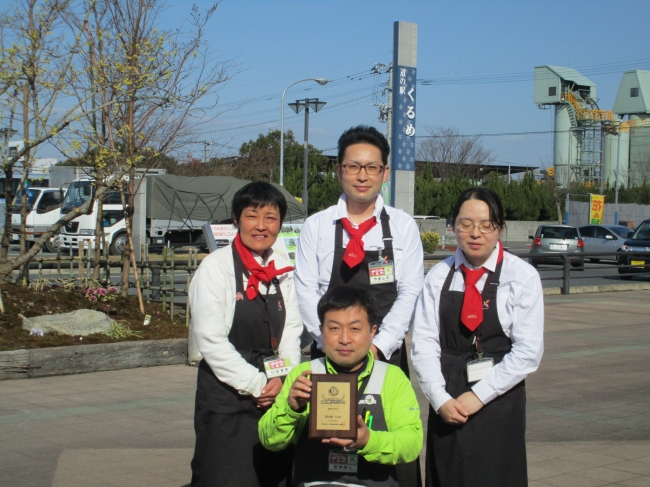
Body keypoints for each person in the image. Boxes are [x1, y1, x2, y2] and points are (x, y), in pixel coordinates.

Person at [411, 188, 544, 487]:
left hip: (499, 396)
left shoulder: (520, 277)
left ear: (500, 227)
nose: (475, 233)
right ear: (453, 225)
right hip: (448, 396)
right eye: (465, 223)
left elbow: (528, 352)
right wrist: (439, 398)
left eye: (486, 225)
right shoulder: (438, 275)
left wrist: (480, 395)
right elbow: (424, 344)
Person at [188, 181, 303, 487]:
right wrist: (256, 384)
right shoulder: (216, 268)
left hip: (274, 388)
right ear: (237, 220)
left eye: (271, 217)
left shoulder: (281, 267)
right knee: (226, 475)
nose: (262, 226)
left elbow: (291, 326)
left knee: (273, 474)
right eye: (252, 216)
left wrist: (284, 375)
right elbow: (211, 340)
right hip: (228, 394)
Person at [259, 285, 423, 487]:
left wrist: (369, 440)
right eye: (334, 328)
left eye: (355, 329)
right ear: (321, 331)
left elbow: (411, 444)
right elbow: (270, 440)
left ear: (373, 332)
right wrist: (292, 409)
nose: (344, 339)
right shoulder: (303, 374)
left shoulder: (392, 378)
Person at [295, 125, 424, 376]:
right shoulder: (316, 226)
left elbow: (410, 293)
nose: (362, 176)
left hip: (385, 356)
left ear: (385, 172)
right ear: (339, 171)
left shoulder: (403, 226)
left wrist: (378, 346)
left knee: (386, 416)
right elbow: (305, 292)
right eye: (353, 166)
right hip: (328, 357)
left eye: (372, 167)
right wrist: (331, 344)